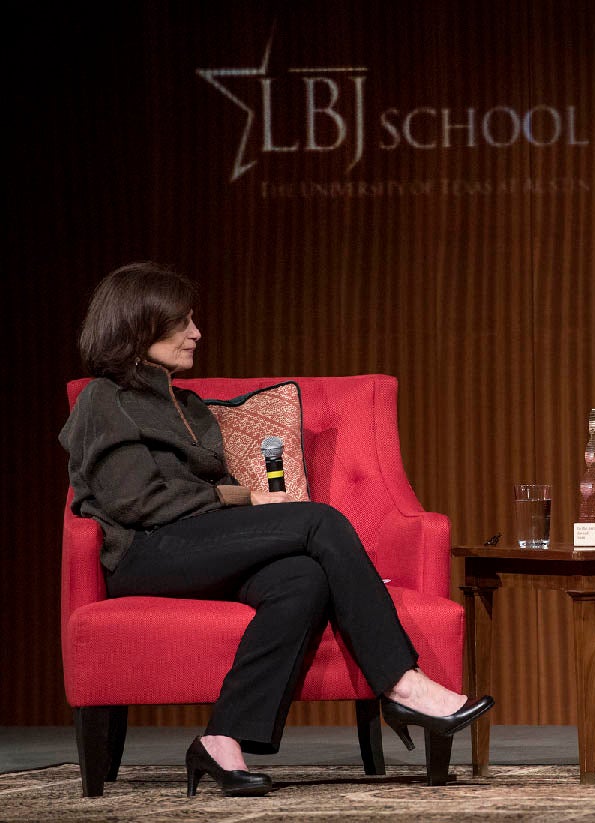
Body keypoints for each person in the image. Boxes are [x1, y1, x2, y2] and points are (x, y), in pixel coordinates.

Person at [59, 262, 494, 797]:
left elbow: (199, 501)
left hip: (201, 546)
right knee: (319, 519)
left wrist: (233, 506)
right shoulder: (105, 400)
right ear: (138, 325)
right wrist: (241, 497)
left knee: (302, 579)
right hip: (146, 554)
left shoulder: (189, 404)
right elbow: (138, 501)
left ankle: (222, 739)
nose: (196, 333)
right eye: (182, 323)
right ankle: (403, 683)